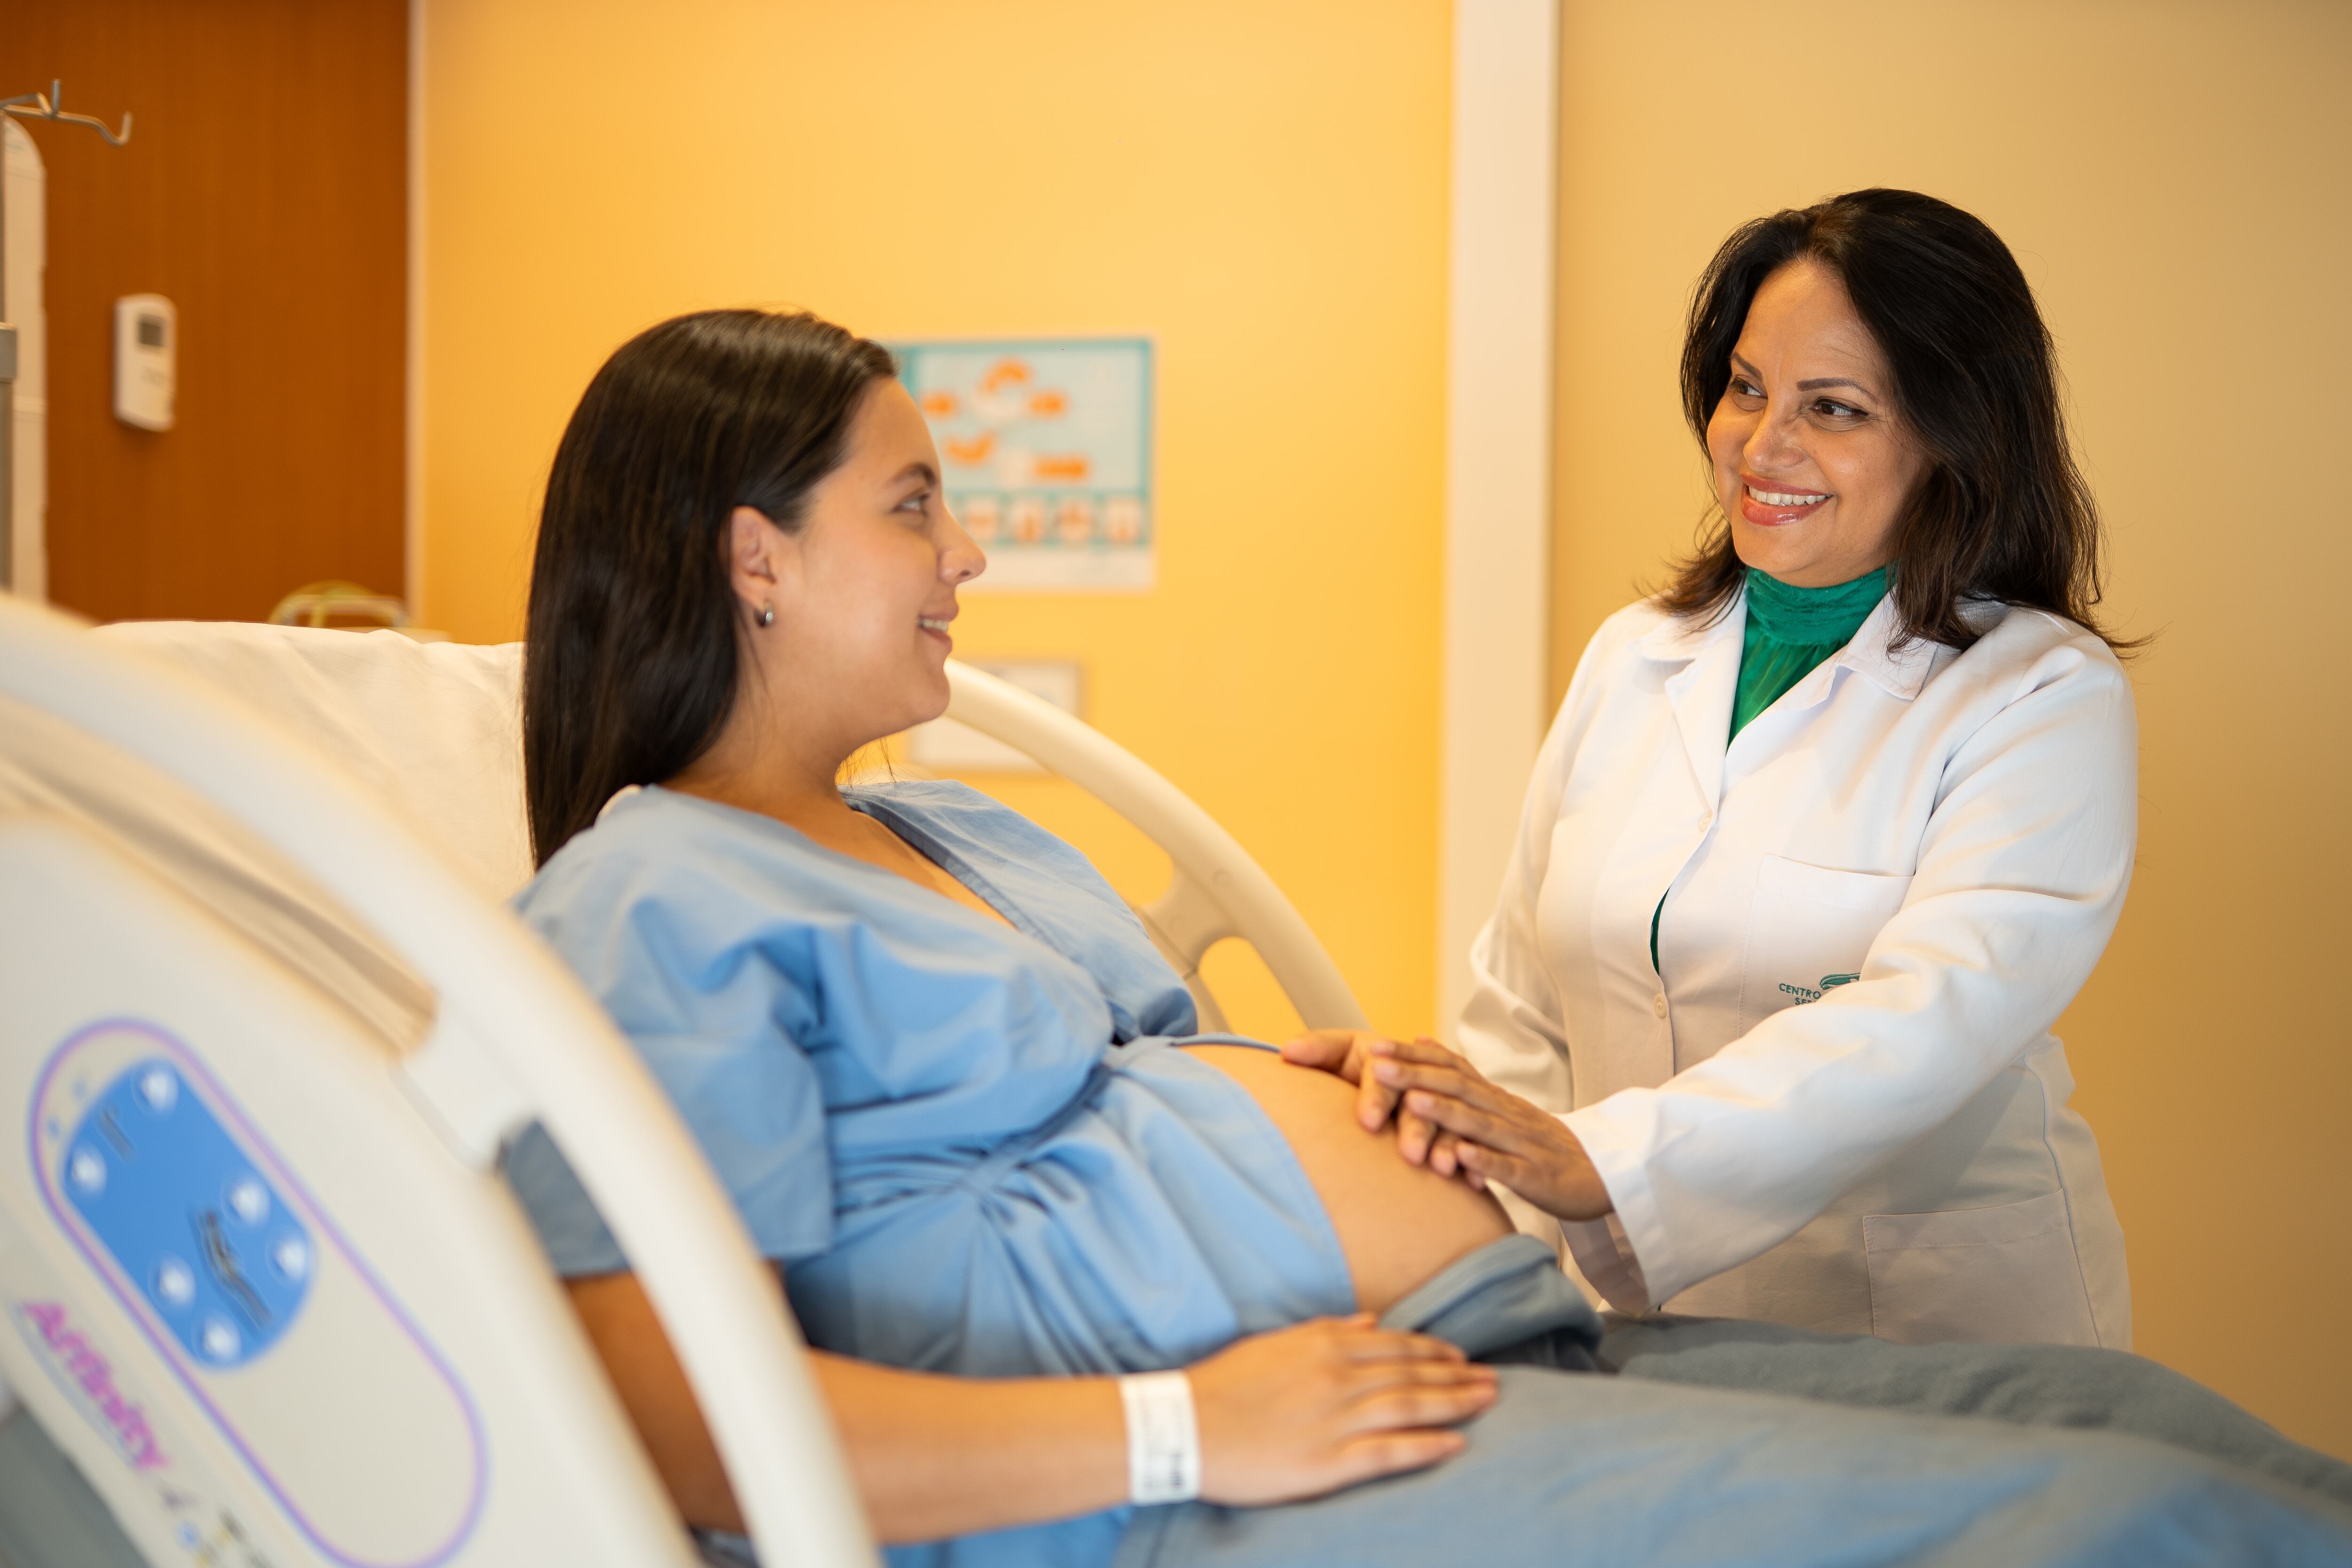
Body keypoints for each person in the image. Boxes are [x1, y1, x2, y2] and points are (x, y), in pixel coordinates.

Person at [501, 306, 2352, 1568]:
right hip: (1221, 1471)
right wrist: (1183, 1427)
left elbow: (1134, 1106)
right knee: (2117, 1527)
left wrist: (1364, 1091)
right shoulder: (653, 897)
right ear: (754, 559)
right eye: (913, 503)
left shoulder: (950, 823)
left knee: (2153, 1428)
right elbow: (674, 1428)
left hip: (1483, 1329)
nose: (965, 551)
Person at [1342, 189, 2137, 1347]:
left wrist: (1603, 1165)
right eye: (1747, 387)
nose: (1762, 445)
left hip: (1923, 1317)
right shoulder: (1634, 657)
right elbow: (1520, 1005)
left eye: (1835, 407)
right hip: (1625, 1311)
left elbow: (1925, 1019)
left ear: (1951, 434)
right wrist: (1486, 1256)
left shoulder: (2038, 693)